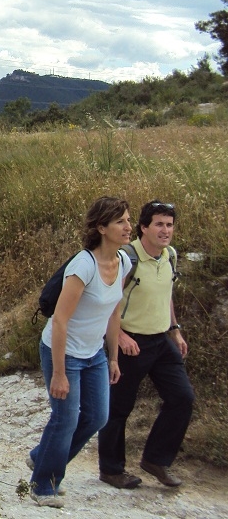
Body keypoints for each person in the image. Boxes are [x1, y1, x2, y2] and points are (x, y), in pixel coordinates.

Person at [28, 196, 132, 508]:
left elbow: (114, 313)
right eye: (120, 222)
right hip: (63, 352)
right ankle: (43, 485)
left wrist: (113, 356)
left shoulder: (124, 261)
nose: (128, 227)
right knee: (65, 419)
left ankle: (42, 458)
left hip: (94, 354)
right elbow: (59, 320)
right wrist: (59, 373)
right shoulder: (83, 266)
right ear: (102, 228)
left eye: (128, 220)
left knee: (98, 416)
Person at [98, 201, 194, 489]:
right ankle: (111, 470)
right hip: (130, 342)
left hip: (160, 340)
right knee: (118, 408)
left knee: (182, 397)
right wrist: (120, 336)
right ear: (144, 227)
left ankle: (156, 460)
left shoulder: (170, 256)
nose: (166, 230)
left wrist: (175, 330)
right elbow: (106, 301)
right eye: (159, 224)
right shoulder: (127, 258)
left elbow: (166, 294)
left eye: (169, 224)